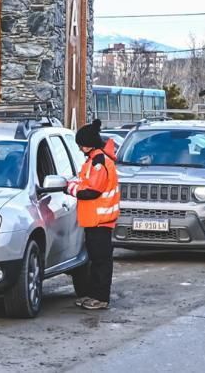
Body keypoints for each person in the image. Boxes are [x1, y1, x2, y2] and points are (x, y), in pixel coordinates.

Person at [68, 119, 120, 310]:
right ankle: (93, 294)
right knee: (96, 260)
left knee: (101, 261)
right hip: (94, 220)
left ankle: (100, 297)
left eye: (81, 144)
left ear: (87, 143)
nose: (80, 148)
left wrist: (71, 190)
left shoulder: (99, 162)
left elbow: (92, 191)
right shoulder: (93, 160)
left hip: (100, 221)